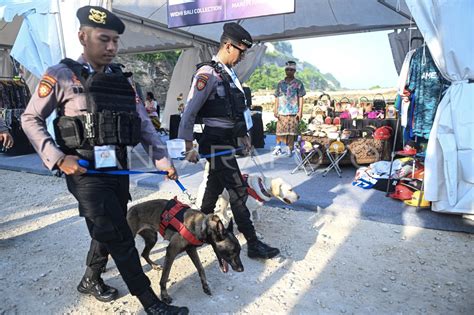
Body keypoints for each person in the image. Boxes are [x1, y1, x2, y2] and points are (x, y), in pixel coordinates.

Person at [21, 6, 188, 315]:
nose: (111, 47)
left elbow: (143, 124)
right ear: (83, 37)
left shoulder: (121, 80)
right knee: (121, 235)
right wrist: (58, 158)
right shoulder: (61, 74)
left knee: (106, 227)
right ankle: (151, 303)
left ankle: (91, 278)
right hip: (83, 170)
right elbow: (30, 119)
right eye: (103, 39)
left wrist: (162, 158)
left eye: (115, 41)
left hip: (118, 167)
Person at [178, 22, 280, 260]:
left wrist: (244, 135)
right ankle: (253, 243)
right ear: (227, 45)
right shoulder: (207, 74)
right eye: (241, 51)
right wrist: (189, 147)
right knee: (237, 191)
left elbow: (236, 110)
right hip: (215, 142)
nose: (243, 56)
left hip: (227, 141)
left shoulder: (229, 74)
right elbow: (189, 112)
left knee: (213, 187)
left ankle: (196, 231)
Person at [273, 61, 306, 157]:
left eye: (291, 70)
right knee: (279, 130)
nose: (289, 71)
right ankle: (278, 147)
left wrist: (300, 111)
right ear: (285, 70)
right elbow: (276, 96)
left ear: (294, 71)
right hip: (281, 111)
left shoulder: (298, 83)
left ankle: (289, 148)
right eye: (287, 69)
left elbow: (301, 97)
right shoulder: (280, 83)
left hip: (293, 111)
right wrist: (275, 109)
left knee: (292, 131)